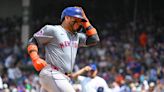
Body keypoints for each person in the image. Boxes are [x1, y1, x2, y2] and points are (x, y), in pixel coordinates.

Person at [27, 6, 100, 92]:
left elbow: (94, 39)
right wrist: (35, 58)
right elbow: (33, 40)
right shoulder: (53, 30)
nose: (79, 23)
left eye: (80, 21)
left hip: (64, 78)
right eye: (76, 19)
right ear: (67, 18)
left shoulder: (77, 36)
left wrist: (85, 20)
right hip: (53, 73)